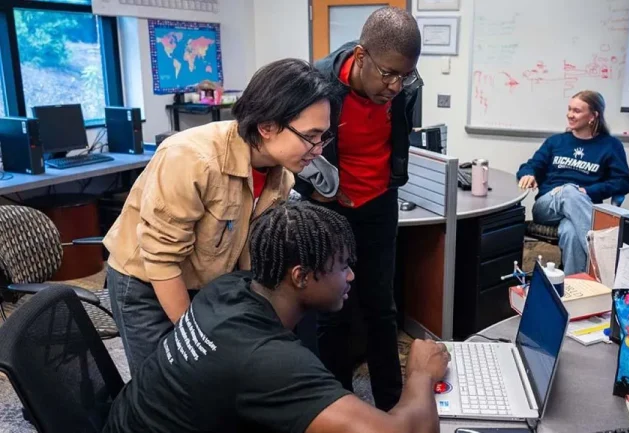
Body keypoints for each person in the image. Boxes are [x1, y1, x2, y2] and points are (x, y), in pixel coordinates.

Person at [102, 202, 450, 433]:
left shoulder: (229, 288)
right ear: (300, 276)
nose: (351, 277)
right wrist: (421, 373)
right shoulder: (266, 359)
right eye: (343, 266)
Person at [103, 59, 339, 374]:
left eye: (324, 136)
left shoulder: (280, 177)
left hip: (206, 277)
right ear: (267, 126)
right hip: (148, 282)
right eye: (311, 136)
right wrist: (194, 336)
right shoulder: (191, 159)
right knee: (165, 384)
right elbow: (160, 260)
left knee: (209, 378)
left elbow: (251, 252)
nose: (319, 149)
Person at [294, 7, 423, 410]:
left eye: (405, 75)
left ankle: (392, 403)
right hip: (331, 208)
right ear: (361, 56)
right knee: (332, 310)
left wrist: (390, 183)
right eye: (388, 73)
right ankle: (339, 403)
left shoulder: (405, 85)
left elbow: (399, 139)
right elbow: (299, 145)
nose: (396, 85)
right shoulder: (317, 84)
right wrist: (314, 192)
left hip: (380, 204)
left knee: (381, 308)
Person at [517, 90, 629, 275]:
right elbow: (530, 166)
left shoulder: (610, 145)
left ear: (593, 116)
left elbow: (623, 182)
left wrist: (589, 191)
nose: (570, 115)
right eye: (569, 109)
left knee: (571, 232)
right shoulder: (556, 142)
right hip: (547, 207)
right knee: (569, 191)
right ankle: (607, 262)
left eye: (577, 111)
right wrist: (528, 174)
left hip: (581, 208)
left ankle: (575, 291)